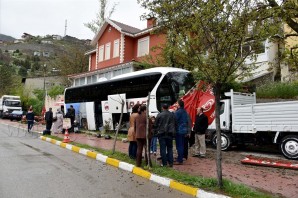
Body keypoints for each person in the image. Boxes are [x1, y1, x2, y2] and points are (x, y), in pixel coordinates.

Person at [174, 100, 189, 165]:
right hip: (184, 130)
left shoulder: (178, 112)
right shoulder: (185, 111)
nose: (176, 104)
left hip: (179, 130)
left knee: (179, 145)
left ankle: (180, 160)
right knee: (182, 145)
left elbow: (174, 119)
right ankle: (180, 157)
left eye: (177, 103)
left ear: (179, 105)